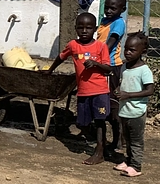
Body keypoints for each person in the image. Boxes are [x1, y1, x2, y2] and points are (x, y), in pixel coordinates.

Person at [44, 12, 112, 165]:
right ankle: (101, 142)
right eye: (80, 28)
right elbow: (61, 57)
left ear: (94, 29)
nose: (84, 31)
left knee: (100, 120)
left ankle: (99, 151)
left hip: (100, 91)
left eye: (88, 28)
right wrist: (50, 70)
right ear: (75, 29)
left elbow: (108, 69)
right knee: (82, 122)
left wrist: (95, 64)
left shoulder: (101, 46)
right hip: (83, 91)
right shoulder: (73, 45)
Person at [114, 32, 154, 178]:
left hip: (137, 111)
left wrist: (128, 95)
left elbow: (150, 90)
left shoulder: (144, 70)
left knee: (136, 140)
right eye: (126, 49)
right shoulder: (125, 67)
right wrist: (119, 91)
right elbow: (124, 84)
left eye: (132, 50)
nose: (128, 52)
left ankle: (136, 166)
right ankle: (129, 161)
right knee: (127, 138)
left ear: (142, 52)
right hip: (124, 110)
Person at [96, 0, 128, 154]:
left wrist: (95, 57)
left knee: (112, 104)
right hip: (101, 64)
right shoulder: (104, 21)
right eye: (107, 7)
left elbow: (109, 44)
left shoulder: (118, 23)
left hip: (111, 67)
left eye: (113, 8)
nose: (108, 11)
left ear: (122, 9)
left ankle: (118, 139)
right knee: (102, 102)